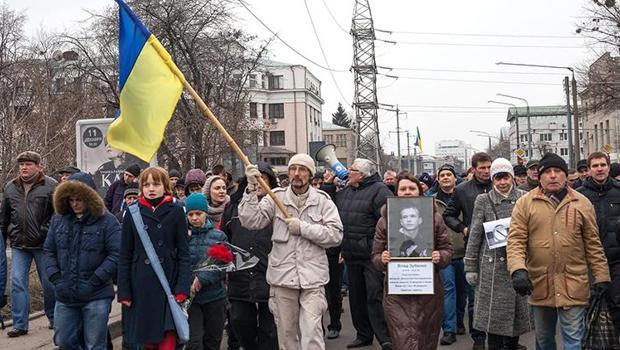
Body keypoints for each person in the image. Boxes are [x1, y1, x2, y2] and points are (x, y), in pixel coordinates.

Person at [238, 154, 343, 350]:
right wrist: (251, 189)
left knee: (312, 334)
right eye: (293, 169)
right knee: (287, 336)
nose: (296, 174)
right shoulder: (275, 197)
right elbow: (250, 220)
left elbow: (335, 236)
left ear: (310, 174)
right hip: (283, 278)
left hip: (313, 279)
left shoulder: (323, 201)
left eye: (302, 170)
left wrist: (303, 228)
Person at [507, 152, 611, 350]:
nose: (553, 175)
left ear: (565, 175)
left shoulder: (581, 203)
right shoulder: (526, 203)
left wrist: (602, 276)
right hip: (539, 283)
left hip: (573, 282)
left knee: (573, 339)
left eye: (558, 171)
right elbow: (516, 240)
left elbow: (593, 244)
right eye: (548, 172)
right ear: (540, 176)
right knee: (544, 339)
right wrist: (518, 270)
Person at [371, 173, 452, 349]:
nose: (407, 192)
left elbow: (447, 250)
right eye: (403, 189)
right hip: (397, 291)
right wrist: (382, 259)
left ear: (420, 191)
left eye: (411, 188)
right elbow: (375, 257)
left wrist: (440, 256)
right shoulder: (384, 220)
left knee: (426, 338)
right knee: (402, 337)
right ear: (396, 192)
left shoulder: (435, 218)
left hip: (428, 291)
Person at [43, 172, 121, 349]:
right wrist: (55, 277)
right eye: (71, 199)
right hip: (65, 294)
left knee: (95, 344)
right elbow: (49, 250)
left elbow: (116, 254)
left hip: (96, 294)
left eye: (79, 199)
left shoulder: (107, 221)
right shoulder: (58, 221)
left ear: (90, 197)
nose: (75, 203)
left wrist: (95, 279)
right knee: (63, 341)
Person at [322, 158, 393, 349]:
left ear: (362, 174)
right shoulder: (346, 191)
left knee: (374, 296)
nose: (347, 171)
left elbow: (389, 222)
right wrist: (328, 186)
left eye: (351, 169)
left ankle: (385, 337)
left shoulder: (380, 191)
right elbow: (333, 211)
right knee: (356, 299)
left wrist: (381, 248)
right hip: (351, 254)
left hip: (372, 255)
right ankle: (363, 335)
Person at [117, 167, 191, 349]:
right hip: (141, 286)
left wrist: (182, 287)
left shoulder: (176, 211)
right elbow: (125, 254)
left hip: (169, 286)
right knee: (148, 343)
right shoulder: (132, 213)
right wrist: (124, 291)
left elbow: (183, 253)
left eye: (156, 184)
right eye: (146, 184)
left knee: (168, 341)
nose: (151, 188)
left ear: (165, 186)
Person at [464, 158, 532, 350]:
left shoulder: (524, 197)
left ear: (512, 177)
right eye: (498, 178)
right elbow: (475, 234)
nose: (502, 183)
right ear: (492, 179)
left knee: (516, 316)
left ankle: (512, 345)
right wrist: (470, 266)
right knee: (492, 320)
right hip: (491, 267)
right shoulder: (483, 200)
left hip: (518, 265)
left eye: (505, 177)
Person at [222, 162, 279, 350]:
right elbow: (225, 237)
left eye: (264, 179)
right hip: (240, 275)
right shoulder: (234, 207)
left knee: (270, 330)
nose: (260, 183)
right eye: (255, 179)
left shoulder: (279, 205)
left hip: (270, 275)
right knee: (240, 322)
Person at [0, 151, 57, 337]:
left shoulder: (51, 186)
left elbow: (57, 215)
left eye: (28, 164)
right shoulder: (10, 187)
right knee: (17, 282)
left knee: (49, 283)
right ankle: (19, 324)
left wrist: (45, 232)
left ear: (39, 166)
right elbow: (5, 217)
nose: (24, 167)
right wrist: (4, 235)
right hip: (19, 244)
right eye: (21, 164)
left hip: (44, 244)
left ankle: (54, 318)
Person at [443, 152, 492, 349]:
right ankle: (478, 338)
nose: (486, 171)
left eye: (489, 167)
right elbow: (449, 215)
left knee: (499, 296)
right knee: (475, 298)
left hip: (500, 248)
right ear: (473, 169)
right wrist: (463, 228)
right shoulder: (462, 190)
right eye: (482, 168)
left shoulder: (500, 184)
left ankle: (504, 338)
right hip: (475, 248)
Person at [576, 152, 620, 336]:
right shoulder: (578, 196)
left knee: (617, 306)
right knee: (589, 308)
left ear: (609, 167)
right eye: (595, 166)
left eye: (603, 165)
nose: (599, 169)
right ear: (589, 169)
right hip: (589, 262)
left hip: (617, 260)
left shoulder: (619, 191)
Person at [184, 193, 228, 350]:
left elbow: (223, 264)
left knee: (212, 341)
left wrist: (202, 279)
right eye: (190, 214)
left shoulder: (218, 236)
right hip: (192, 300)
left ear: (206, 213)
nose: (194, 218)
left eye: (198, 213)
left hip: (214, 298)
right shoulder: (182, 237)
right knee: (194, 343)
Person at [434, 164, 467, 345]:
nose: (446, 177)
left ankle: (459, 322)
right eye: (442, 175)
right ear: (438, 179)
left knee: (463, 292)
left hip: (464, 251)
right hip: (443, 254)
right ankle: (449, 329)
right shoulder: (431, 202)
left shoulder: (465, 196)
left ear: (455, 178)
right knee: (448, 291)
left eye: (449, 175)